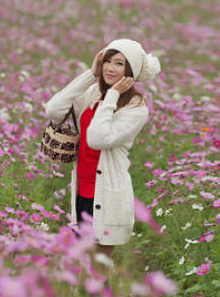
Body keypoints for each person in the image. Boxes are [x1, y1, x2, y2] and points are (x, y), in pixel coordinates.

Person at [44, 38, 160, 275]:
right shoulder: (93, 92)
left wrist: (112, 97)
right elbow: (53, 110)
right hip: (82, 191)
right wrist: (90, 74)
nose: (110, 67)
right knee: (81, 266)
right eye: (107, 60)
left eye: (119, 63)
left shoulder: (136, 107)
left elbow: (97, 139)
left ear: (131, 71)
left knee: (96, 268)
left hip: (107, 193)